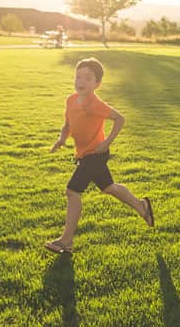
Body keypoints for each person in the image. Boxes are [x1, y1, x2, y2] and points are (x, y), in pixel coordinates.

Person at [45, 57, 154, 254]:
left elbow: (120, 119)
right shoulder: (70, 100)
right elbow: (68, 124)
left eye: (88, 78)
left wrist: (107, 142)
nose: (81, 82)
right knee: (108, 188)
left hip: (95, 155)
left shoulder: (96, 104)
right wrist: (62, 139)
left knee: (72, 191)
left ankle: (66, 241)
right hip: (84, 154)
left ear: (97, 84)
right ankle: (142, 206)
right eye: (78, 77)